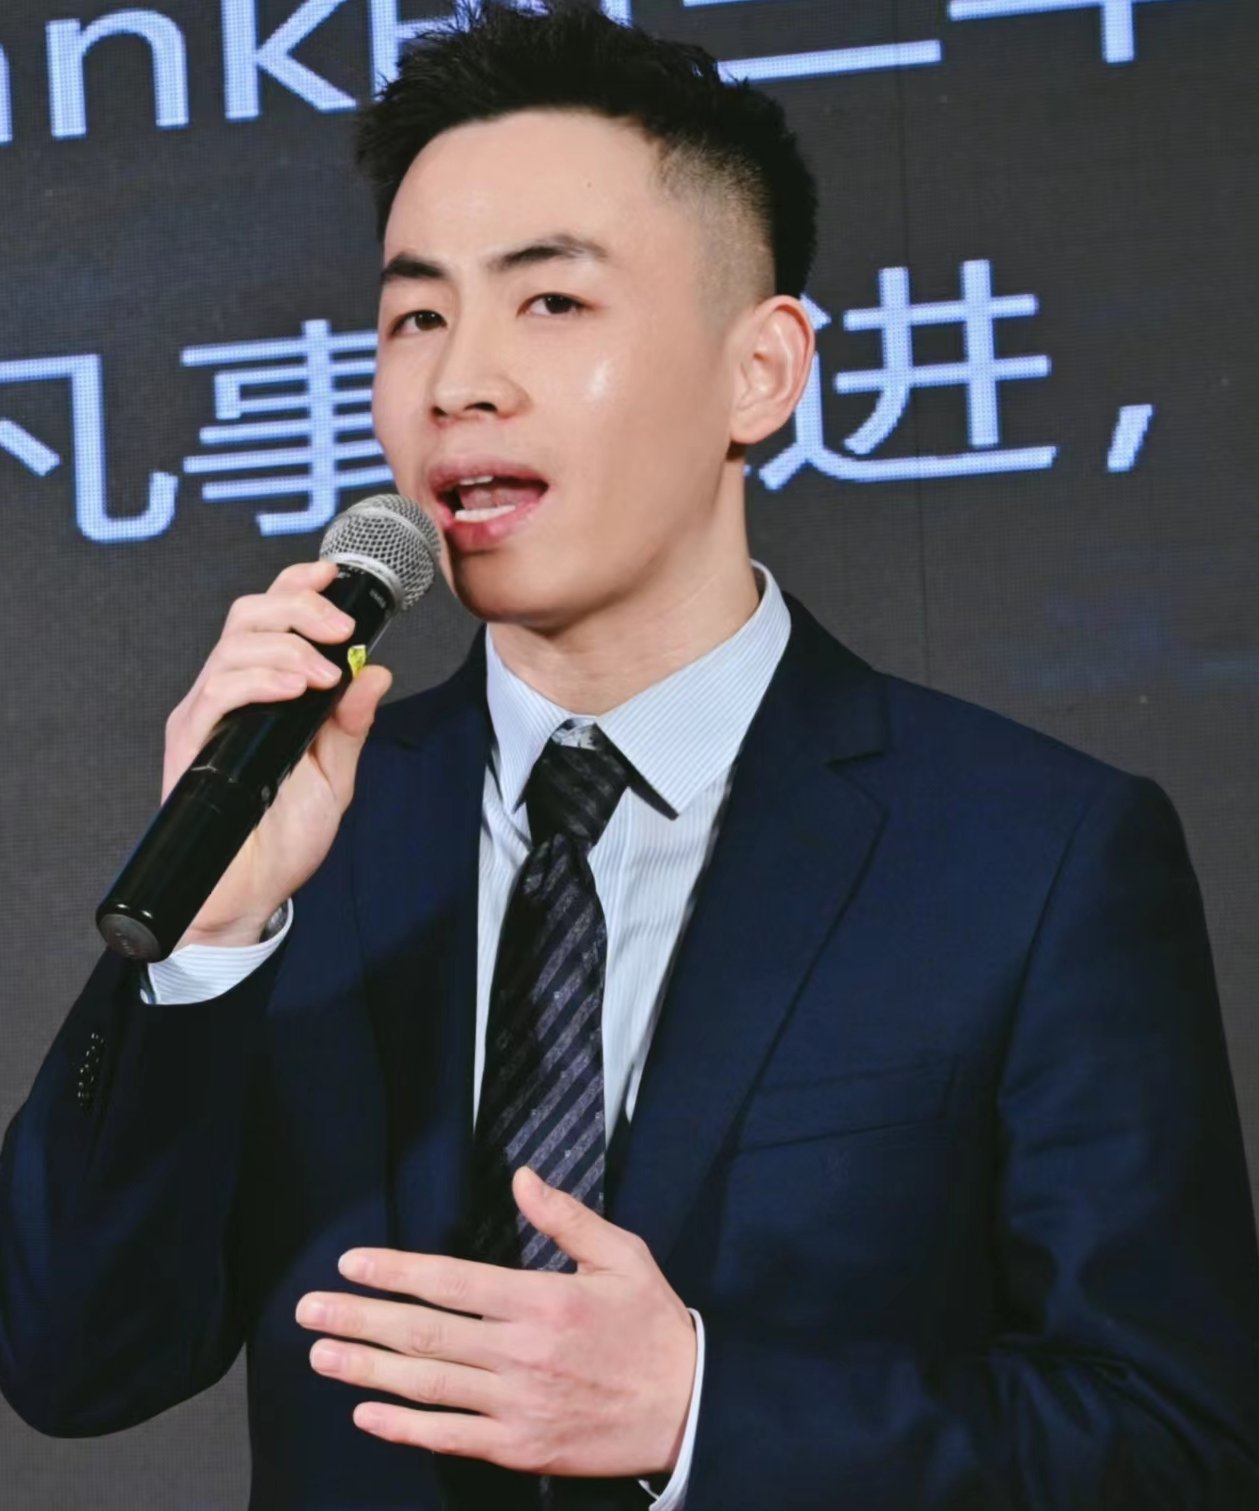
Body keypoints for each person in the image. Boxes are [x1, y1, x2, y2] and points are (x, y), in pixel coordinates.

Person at [3, 2, 1258, 1507]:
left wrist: (702, 1414)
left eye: (551, 302)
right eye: (415, 319)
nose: (459, 382)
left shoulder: (1034, 853)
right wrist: (206, 945)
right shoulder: (307, 828)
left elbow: (1177, 1445)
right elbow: (74, 1361)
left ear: (761, 371)